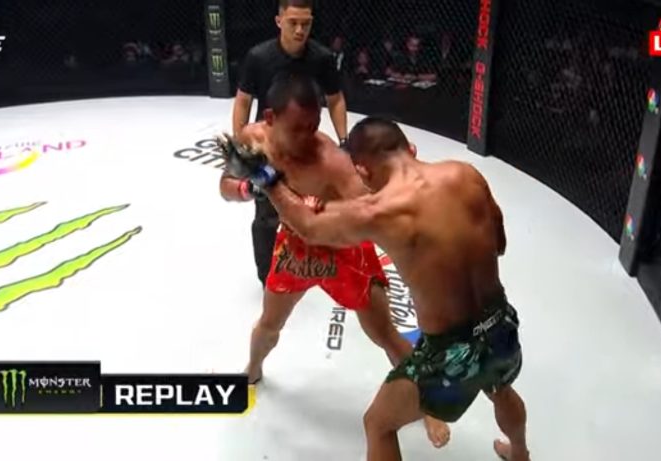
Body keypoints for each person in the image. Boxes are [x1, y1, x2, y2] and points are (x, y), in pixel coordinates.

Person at [230, 117, 530, 461]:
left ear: (363, 171)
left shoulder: (380, 212)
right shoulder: (466, 175)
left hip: (451, 353)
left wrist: (268, 180)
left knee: (378, 424)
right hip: (501, 325)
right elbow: (500, 241)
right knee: (500, 387)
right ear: (410, 149)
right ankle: (520, 454)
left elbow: (310, 227)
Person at [218, 75, 450, 447]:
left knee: (385, 334)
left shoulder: (331, 161)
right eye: (297, 128)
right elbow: (225, 187)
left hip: (343, 249)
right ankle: (253, 368)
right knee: (270, 323)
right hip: (295, 247)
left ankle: (430, 402)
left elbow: (370, 211)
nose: (307, 137)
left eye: (313, 127)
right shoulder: (252, 139)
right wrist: (247, 187)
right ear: (271, 118)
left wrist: (329, 209)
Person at [229, 0, 349, 287]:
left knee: (315, 204)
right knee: (267, 211)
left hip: (307, 142)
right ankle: (267, 276)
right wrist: (240, 142)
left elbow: (335, 99)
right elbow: (243, 100)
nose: (299, 30)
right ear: (279, 21)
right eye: (293, 22)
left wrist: (344, 140)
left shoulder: (321, 57)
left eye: (306, 24)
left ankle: (312, 263)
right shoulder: (259, 57)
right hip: (269, 145)